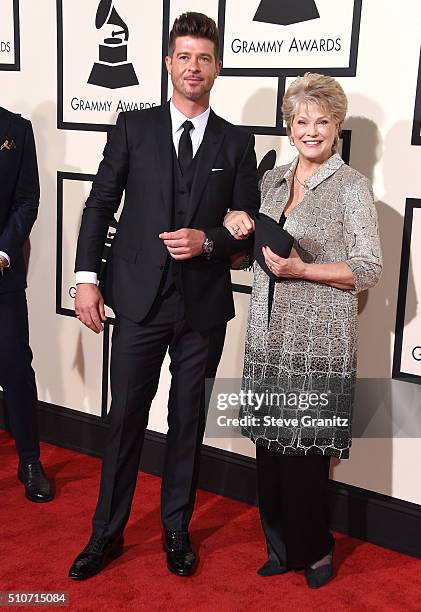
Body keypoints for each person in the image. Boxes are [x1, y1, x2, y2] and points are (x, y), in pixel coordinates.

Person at [68, 12, 259, 580]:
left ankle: (176, 529)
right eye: (184, 56)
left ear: (217, 66)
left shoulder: (237, 141)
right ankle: (106, 533)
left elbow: (247, 222)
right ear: (169, 63)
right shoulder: (133, 127)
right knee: (125, 418)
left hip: (202, 307)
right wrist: (85, 279)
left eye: (204, 57)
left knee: (187, 422)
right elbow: (99, 205)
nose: (193, 67)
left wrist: (210, 240)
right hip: (138, 300)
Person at [225, 73, 382, 588]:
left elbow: (368, 267)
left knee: (307, 454)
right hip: (267, 335)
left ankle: (315, 551)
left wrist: (303, 271)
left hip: (318, 341)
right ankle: (280, 545)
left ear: (336, 126)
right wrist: (239, 228)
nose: (310, 131)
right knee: (269, 450)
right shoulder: (271, 180)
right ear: (289, 125)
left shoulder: (352, 188)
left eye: (322, 121)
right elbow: (257, 251)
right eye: (300, 121)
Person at [0, 107, 54, 503]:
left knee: (16, 366)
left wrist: (3, 253)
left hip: (2, 272)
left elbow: (26, 200)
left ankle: (30, 461)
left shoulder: (16, 130)